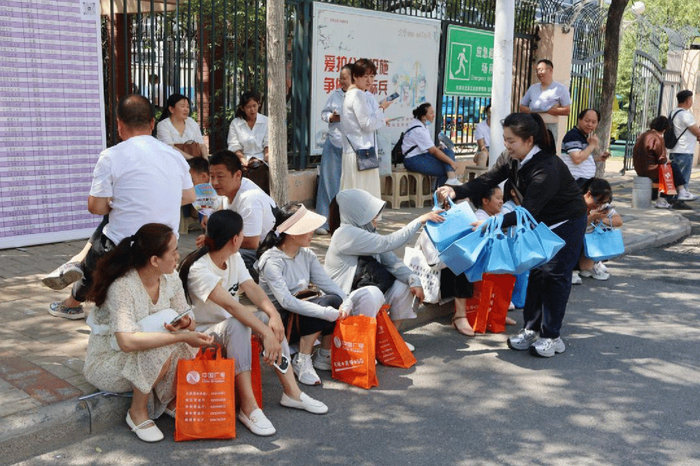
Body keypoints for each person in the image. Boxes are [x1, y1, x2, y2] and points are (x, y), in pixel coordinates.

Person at [437, 113, 587, 358]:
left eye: (511, 141)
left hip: (566, 223)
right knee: (536, 273)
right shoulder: (511, 157)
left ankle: (552, 336)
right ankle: (531, 329)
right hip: (540, 223)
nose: (506, 145)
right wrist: (457, 191)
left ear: (529, 140)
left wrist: (492, 223)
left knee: (555, 276)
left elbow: (527, 211)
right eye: (505, 139)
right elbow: (489, 179)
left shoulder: (546, 167)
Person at [179, 210, 328, 437]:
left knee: (266, 320)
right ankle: (248, 408)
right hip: (203, 334)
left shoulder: (232, 257)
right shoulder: (199, 269)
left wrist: (273, 316)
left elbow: (252, 288)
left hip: (228, 326)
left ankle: (292, 393)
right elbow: (232, 307)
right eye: (242, 233)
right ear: (235, 239)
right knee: (238, 324)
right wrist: (265, 334)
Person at [49, 95, 195, 320]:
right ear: (152, 123)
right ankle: (77, 268)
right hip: (166, 246)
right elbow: (189, 196)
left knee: (101, 241)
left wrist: (118, 201)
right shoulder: (174, 156)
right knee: (109, 223)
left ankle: (76, 285)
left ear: (119, 124)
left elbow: (96, 207)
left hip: (124, 249)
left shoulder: (111, 156)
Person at [83, 223, 213, 443]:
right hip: (110, 363)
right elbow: (126, 342)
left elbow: (189, 320)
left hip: (142, 358)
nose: (178, 256)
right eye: (173, 252)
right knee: (163, 344)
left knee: (184, 342)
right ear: (154, 260)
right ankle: (137, 411)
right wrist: (180, 335)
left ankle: (170, 401)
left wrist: (185, 323)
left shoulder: (170, 277)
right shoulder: (123, 287)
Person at [257, 203, 385, 386]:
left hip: (300, 316)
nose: (313, 232)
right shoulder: (271, 261)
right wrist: (324, 313)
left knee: (334, 299)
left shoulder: (306, 255)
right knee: (323, 307)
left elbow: (328, 284)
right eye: (308, 228)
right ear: (293, 233)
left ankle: (325, 355)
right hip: (281, 323)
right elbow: (286, 302)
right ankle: (302, 359)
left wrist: (346, 301)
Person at [325, 188, 444, 348]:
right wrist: (419, 221)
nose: (376, 218)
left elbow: (392, 261)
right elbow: (388, 242)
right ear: (356, 213)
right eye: (369, 213)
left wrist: (413, 280)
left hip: (367, 293)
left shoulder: (367, 232)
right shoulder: (344, 234)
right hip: (344, 300)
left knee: (404, 284)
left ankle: (390, 341)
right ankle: (365, 346)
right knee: (372, 294)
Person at [203, 150, 276, 280]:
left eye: (220, 177)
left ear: (237, 175)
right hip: (257, 248)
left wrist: (214, 242)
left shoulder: (250, 198)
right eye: (212, 177)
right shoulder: (227, 191)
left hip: (270, 252)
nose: (214, 183)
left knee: (228, 256)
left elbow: (252, 243)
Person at [340, 59, 393, 199]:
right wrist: (382, 108)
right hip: (361, 153)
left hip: (357, 152)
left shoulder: (353, 94)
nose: (369, 81)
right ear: (355, 76)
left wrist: (380, 116)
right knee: (364, 199)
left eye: (372, 76)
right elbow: (367, 124)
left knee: (356, 198)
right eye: (365, 76)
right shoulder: (357, 95)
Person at [316, 65, 352, 235]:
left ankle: (345, 222)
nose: (342, 81)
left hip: (351, 146)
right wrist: (332, 117)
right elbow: (324, 113)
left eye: (345, 78)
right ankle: (324, 222)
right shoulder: (335, 95)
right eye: (340, 78)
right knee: (328, 183)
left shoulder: (361, 95)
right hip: (334, 142)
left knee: (348, 185)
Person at [632, 116, 694, 210]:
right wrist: (669, 161)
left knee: (670, 167)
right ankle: (676, 193)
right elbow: (662, 159)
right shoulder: (657, 137)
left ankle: (678, 193)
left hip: (640, 169)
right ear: (664, 129)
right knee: (671, 168)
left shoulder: (643, 135)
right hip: (651, 170)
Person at [572, 178, 623, 283]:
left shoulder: (602, 206)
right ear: (588, 194)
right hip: (575, 241)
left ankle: (592, 265)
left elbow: (619, 221)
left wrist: (602, 220)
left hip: (590, 242)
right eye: (598, 202)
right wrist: (591, 218)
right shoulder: (576, 204)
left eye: (604, 202)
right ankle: (571, 269)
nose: (599, 206)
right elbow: (573, 226)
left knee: (586, 266)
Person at [402, 103, 462, 187]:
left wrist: (438, 148)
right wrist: (451, 162)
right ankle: (447, 187)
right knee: (445, 169)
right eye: (431, 113)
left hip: (422, 155)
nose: (433, 115)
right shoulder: (419, 130)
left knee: (447, 151)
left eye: (433, 113)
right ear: (423, 117)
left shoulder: (421, 125)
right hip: (412, 159)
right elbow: (433, 151)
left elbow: (431, 149)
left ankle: (451, 179)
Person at [519, 59, 571, 145]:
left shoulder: (560, 88)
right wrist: (536, 109)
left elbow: (567, 110)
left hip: (550, 127)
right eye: (537, 70)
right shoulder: (533, 88)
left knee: (548, 150)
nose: (539, 73)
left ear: (550, 70)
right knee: (533, 149)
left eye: (541, 70)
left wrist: (545, 109)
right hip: (534, 126)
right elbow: (522, 107)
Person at [561, 109, 610, 189]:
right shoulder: (573, 136)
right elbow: (577, 159)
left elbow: (582, 158)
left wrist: (597, 158)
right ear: (579, 120)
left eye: (593, 122)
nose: (590, 124)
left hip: (583, 182)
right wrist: (592, 145)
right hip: (575, 182)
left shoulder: (584, 137)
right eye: (587, 121)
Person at [156, 93, 208, 160]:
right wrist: (192, 159)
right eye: (183, 106)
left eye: (188, 107)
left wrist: (205, 160)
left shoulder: (192, 123)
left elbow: (201, 145)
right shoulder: (163, 125)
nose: (186, 109)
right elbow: (169, 147)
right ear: (171, 109)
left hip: (195, 164)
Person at [668, 90, 700, 196]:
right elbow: (696, 131)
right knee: (683, 178)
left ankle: (673, 197)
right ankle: (681, 198)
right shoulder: (685, 115)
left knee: (676, 177)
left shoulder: (673, 113)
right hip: (684, 151)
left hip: (675, 150)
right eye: (691, 100)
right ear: (687, 101)